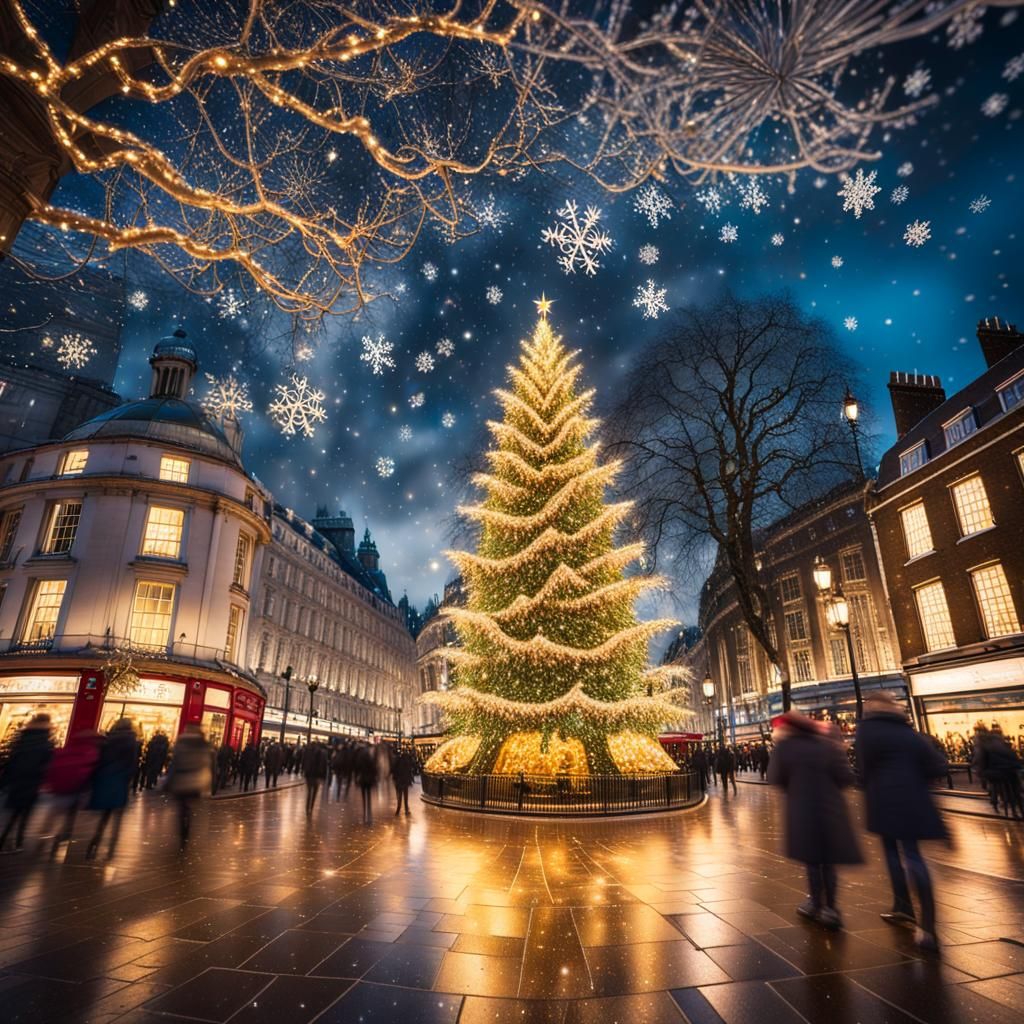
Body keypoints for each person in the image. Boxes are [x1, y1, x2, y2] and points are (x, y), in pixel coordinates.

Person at [856, 693, 947, 953]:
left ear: (871, 708)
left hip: (884, 801)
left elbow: (863, 768)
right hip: (915, 801)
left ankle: (903, 906)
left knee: (892, 854)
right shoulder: (908, 731)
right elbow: (936, 766)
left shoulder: (867, 731)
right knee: (914, 855)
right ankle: (927, 924)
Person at [768, 711, 862, 929]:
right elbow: (846, 777)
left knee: (812, 861)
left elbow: (775, 778)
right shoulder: (827, 744)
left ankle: (815, 903)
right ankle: (831, 908)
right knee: (828, 861)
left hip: (802, 809)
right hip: (831, 809)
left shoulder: (785, 748)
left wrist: (794, 789)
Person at [86, 719, 140, 860]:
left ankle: (95, 841)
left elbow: (99, 759)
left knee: (104, 813)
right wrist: (129, 779)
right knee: (117, 815)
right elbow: (132, 762)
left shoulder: (107, 739)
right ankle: (112, 846)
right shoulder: (131, 741)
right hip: (121, 779)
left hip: (105, 777)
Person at [0, 714, 54, 853]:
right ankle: (18, 843)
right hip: (32, 782)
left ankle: (4, 841)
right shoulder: (46, 743)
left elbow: (11, 761)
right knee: (24, 815)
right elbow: (47, 765)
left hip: (16, 781)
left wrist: (5, 781)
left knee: (11, 814)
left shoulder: (21, 739)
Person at [45, 728, 100, 857]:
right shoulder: (90, 752)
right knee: (70, 816)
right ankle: (61, 835)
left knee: (56, 813)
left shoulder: (67, 749)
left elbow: (53, 765)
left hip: (61, 788)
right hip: (78, 789)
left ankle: (47, 834)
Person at [166, 725, 211, 849]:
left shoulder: (181, 743)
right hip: (196, 781)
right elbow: (207, 764)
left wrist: (168, 781)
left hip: (181, 779)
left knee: (181, 808)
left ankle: (182, 833)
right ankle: (186, 832)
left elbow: (174, 763)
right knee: (189, 807)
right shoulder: (203, 744)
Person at [302, 740, 329, 816]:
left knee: (309, 791)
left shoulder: (307, 751)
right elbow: (324, 765)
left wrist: (303, 770)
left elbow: (303, 761)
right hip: (316, 775)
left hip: (309, 774)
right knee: (314, 792)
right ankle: (311, 807)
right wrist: (323, 777)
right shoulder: (322, 753)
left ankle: (307, 808)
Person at [354, 743, 379, 822]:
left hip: (363, 778)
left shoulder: (360, 755)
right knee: (368, 795)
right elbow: (375, 768)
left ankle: (364, 814)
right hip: (369, 778)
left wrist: (356, 777)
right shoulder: (371, 756)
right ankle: (369, 814)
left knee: (363, 795)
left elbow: (357, 767)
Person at [392, 747, 416, 817]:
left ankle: (398, 810)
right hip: (406, 780)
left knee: (399, 795)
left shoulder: (398, 759)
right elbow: (414, 766)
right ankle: (406, 810)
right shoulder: (408, 760)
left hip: (399, 780)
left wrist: (395, 778)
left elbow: (394, 769)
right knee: (406, 795)